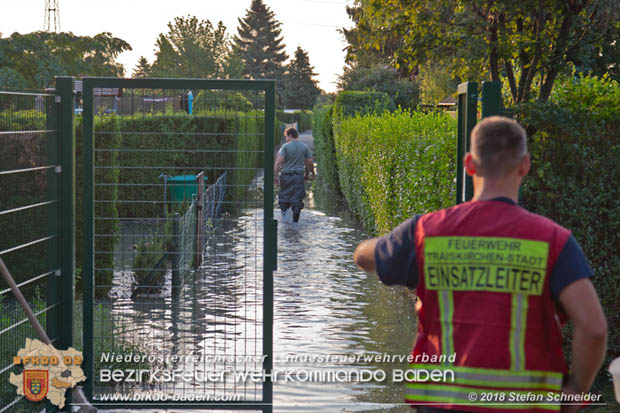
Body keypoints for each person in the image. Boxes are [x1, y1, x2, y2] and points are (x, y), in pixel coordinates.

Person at [353, 117, 607, 413]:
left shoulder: (426, 232)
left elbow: (363, 257)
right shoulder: (553, 240)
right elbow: (593, 328)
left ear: (469, 164)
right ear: (524, 165)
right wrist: (576, 392)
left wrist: (389, 242)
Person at [274, 127, 315, 222]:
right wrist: (310, 173)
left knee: (284, 197)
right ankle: (295, 222)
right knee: (297, 199)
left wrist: (275, 176)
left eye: (286, 136)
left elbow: (278, 162)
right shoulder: (304, 147)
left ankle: (285, 220)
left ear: (290, 135)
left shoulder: (285, 147)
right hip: (298, 177)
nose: (285, 139)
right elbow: (309, 163)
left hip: (286, 176)